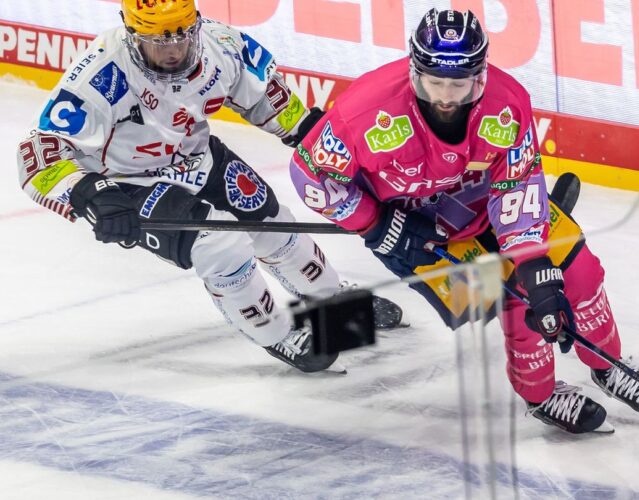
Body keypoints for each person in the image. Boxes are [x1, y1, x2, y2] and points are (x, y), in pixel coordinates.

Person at [290, 8, 639, 433]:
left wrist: (531, 259)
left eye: (459, 83)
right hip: (416, 234)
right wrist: (376, 225)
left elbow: (517, 180)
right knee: (511, 299)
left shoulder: (507, 103)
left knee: (577, 270)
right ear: (415, 70)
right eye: (435, 82)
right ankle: (542, 396)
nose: (447, 96)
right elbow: (310, 175)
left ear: (481, 74)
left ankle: (609, 365)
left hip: (485, 202)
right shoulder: (367, 110)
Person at [15, 0, 401, 374]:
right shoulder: (100, 75)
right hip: (127, 181)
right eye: (158, 41)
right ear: (132, 33)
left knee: (272, 224)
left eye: (182, 36)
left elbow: (271, 101)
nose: (174, 50)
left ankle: (330, 298)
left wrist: (318, 141)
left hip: (198, 158)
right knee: (218, 244)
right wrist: (91, 196)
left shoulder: (223, 45)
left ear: (197, 23)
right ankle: (275, 332)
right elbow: (36, 158)